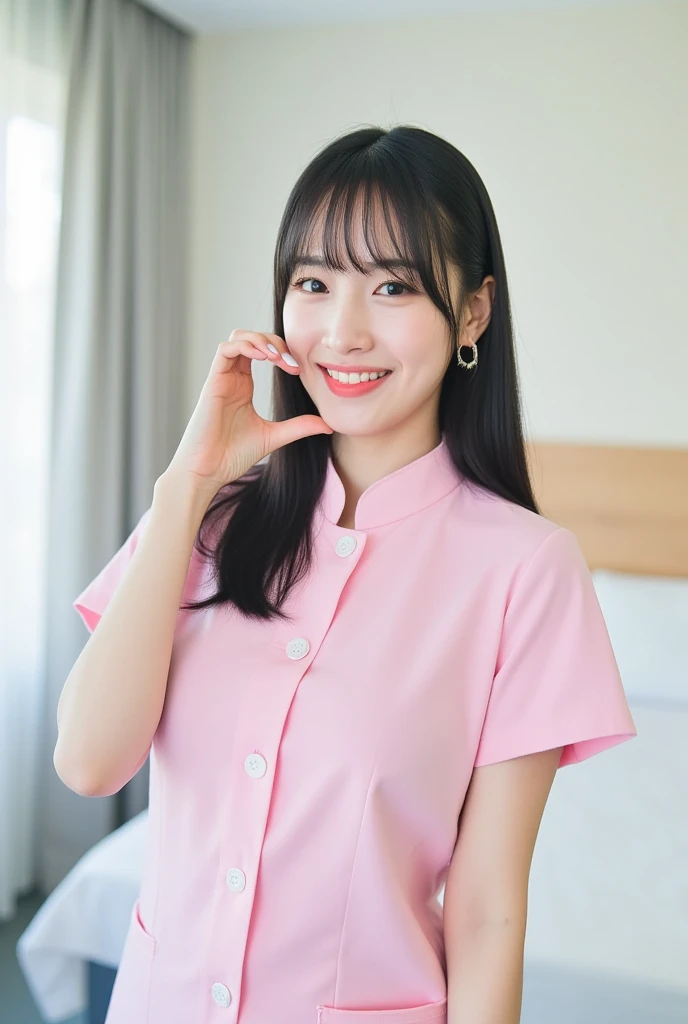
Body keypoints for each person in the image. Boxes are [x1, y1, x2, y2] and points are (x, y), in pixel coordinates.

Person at [55, 125, 637, 1024]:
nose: (343, 331)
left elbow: (485, 913)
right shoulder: (207, 521)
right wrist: (187, 485)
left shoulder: (526, 570)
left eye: (394, 286)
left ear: (474, 312)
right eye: (314, 283)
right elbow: (90, 761)